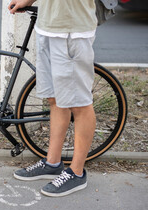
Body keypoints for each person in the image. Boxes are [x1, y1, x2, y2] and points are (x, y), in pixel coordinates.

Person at [9, 0, 98, 197]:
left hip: (72, 31)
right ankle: (52, 163)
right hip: (47, 27)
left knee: (80, 104)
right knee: (54, 99)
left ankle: (76, 172)